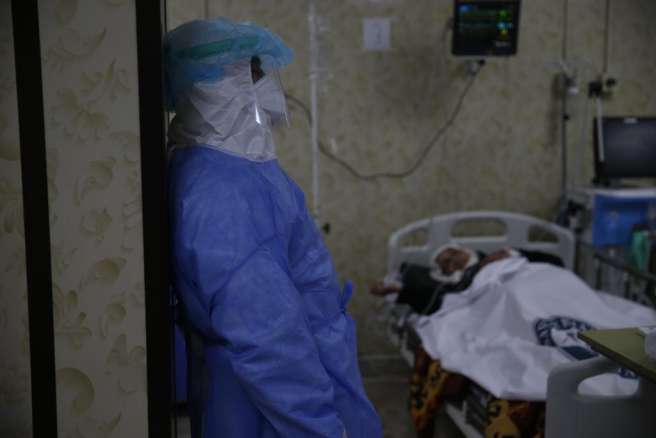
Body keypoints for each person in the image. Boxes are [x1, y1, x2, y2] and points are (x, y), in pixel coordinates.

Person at [166, 18, 381, 438]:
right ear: (214, 88)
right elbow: (269, 341)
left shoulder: (229, 168)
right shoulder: (225, 196)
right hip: (272, 407)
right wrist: (319, 429)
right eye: (253, 75)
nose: (266, 89)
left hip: (297, 371)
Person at [371, 245, 563, 314]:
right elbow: (438, 302)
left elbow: (557, 263)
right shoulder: (460, 285)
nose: (452, 260)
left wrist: (515, 254)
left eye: (453, 253)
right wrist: (398, 290)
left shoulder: (504, 255)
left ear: (464, 250)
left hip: (539, 286)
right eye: (446, 263)